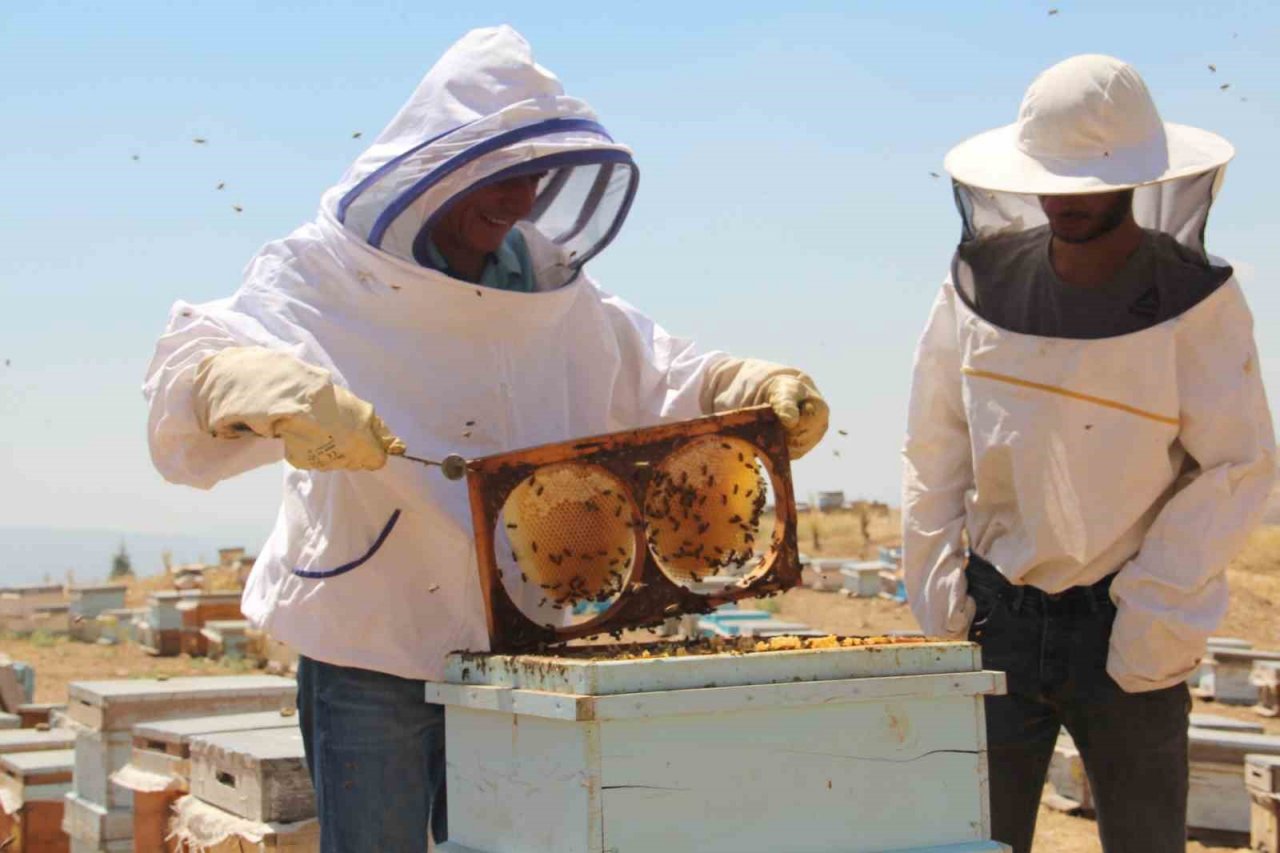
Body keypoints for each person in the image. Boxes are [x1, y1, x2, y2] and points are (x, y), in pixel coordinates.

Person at [143, 26, 827, 853]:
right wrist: (256, 387)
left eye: (536, 174)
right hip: (375, 637)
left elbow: (663, 371)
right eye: (500, 174)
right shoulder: (328, 273)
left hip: (526, 638)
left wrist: (745, 387)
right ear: (439, 165)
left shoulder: (548, 287)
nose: (520, 197)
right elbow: (195, 367)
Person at [902, 54, 1274, 853]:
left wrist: (1155, 609)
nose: (1065, 201)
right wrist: (941, 596)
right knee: (971, 844)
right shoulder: (974, 285)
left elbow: (1239, 465)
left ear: (1139, 177)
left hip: (1125, 627)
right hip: (996, 616)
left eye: (1088, 183)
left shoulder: (1197, 303)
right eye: (1053, 180)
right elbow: (936, 444)